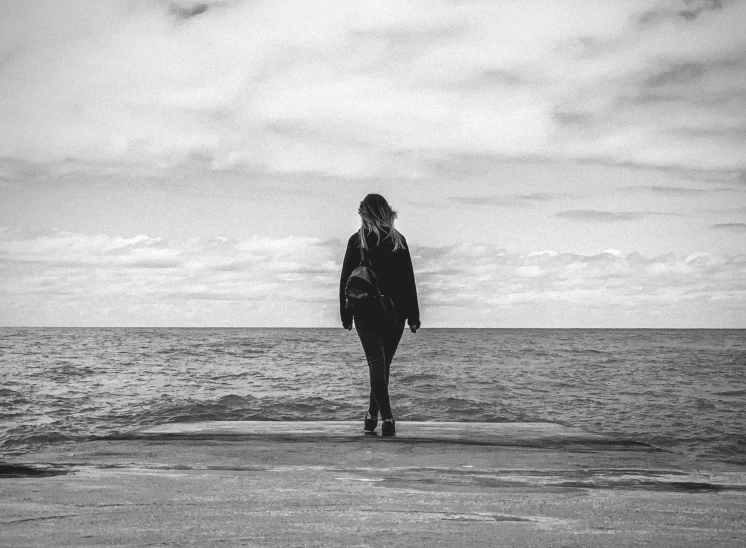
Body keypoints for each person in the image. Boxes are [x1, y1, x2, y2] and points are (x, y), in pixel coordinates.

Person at [339, 194, 420, 436]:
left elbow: (345, 280)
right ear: (386, 212)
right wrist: (414, 316)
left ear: (364, 213)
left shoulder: (357, 241)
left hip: (365, 312)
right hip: (396, 313)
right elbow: (409, 282)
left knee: (377, 365)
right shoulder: (398, 240)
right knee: (383, 366)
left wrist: (345, 314)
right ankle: (377, 416)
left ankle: (381, 416)